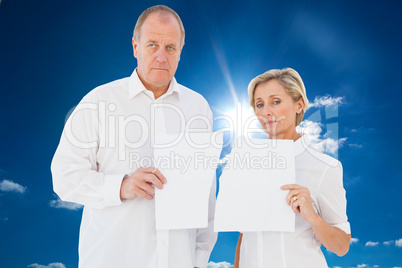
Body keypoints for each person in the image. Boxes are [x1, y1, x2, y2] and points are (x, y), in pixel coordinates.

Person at [51, 5, 216, 268]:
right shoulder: (98, 101)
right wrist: (121, 186)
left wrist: (199, 257)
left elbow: (206, 191)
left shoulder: (198, 108)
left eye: (170, 47)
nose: (161, 57)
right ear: (135, 47)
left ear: (180, 51)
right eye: (152, 45)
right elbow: (64, 176)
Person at [234, 68, 351, 268]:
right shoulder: (248, 165)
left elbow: (341, 246)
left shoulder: (325, 167)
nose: (266, 112)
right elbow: (245, 235)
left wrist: (311, 216)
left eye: (276, 101)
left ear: (299, 104)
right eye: (259, 104)